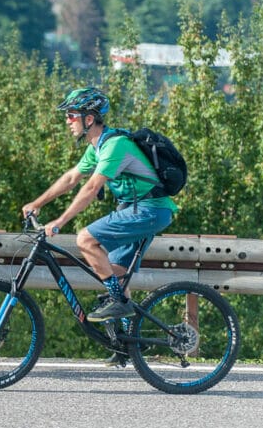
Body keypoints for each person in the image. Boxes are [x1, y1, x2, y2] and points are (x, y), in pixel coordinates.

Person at [21, 87, 176, 326]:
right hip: (136, 210)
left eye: (71, 115)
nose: (67, 120)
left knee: (85, 239)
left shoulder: (115, 145)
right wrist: (37, 203)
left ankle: (120, 303)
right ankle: (129, 342)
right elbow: (71, 179)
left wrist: (61, 221)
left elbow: (92, 188)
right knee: (114, 273)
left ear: (89, 118)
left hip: (150, 209)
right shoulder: (97, 148)